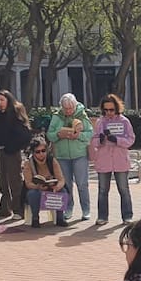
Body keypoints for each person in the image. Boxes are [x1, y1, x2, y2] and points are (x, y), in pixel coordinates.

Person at [0, 90, 33, 221]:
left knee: (14, 180)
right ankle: (4, 208)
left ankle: (18, 209)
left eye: (2, 100)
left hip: (12, 151)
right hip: (1, 149)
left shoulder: (15, 112)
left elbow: (24, 133)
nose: (0, 103)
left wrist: (14, 146)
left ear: (8, 100)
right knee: (3, 180)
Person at [47, 93, 94, 223]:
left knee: (82, 184)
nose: (68, 111)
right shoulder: (57, 116)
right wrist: (58, 134)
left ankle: (86, 209)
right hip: (62, 155)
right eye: (65, 108)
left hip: (79, 154)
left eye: (70, 108)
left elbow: (90, 133)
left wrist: (78, 135)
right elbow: (49, 135)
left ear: (75, 106)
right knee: (66, 184)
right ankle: (68, 208)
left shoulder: (82, 115)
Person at [90, 93, 135, 225]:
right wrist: (101, 139)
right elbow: (93, 141)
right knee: (103, 190)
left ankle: (127, 216)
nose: (108, 112)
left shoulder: (124, 121)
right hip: (104, 161)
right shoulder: (100, 122)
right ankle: (102, 216)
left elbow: (131, 139)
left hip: (120, 160)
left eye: (111, 110)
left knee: (124, 189)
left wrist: (117, 140)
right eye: (106, 110)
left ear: (117, 108)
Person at [22, 136, 66, 228]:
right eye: (38, 152)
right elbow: (28, 183)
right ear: (33, 153)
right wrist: (38, 187)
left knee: (62, 191)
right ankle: (35, 218)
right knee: (33, 193)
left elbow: (61, 179)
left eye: (43, 151)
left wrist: (57, 186)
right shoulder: (28, 163)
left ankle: (60, 218)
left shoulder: (52, 161)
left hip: (51, 187)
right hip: (36, 189)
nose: (41, 154)